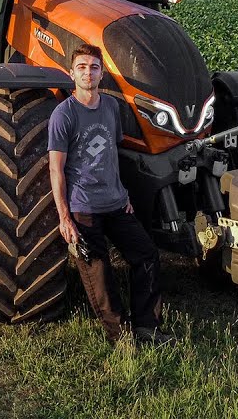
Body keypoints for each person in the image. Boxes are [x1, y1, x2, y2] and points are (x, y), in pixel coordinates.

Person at [48, 43, 174, 346]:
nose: (88, 73)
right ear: (71, 74)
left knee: (146, 256)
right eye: (81, 67)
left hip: (116, 203)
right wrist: (65, 216)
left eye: (93, 67)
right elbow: (56, 169)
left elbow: (110, 153)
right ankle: (121, 337)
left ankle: (148, 326)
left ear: (101, 73)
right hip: (83, 207)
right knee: (99, 273)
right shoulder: (63, 115)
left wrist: (124, 193)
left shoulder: (110, 107)